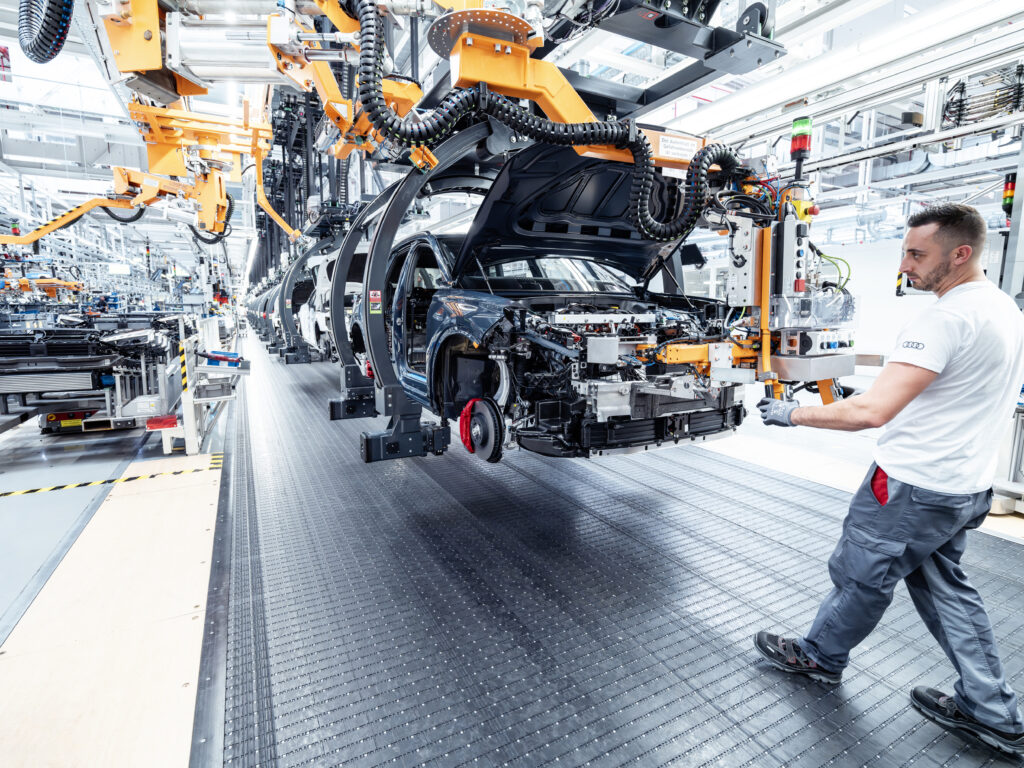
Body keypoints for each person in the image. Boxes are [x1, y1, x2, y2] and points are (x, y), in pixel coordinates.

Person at [753, 203, 1024, 755]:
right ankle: (991, 707)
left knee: (860, 575)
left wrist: (791, 414)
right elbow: (945, 393)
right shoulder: (1000, 307)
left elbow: (869, 416)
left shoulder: (944, 317)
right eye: (905, 251)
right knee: (947, 590)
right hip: (964, 484)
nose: (905, 265)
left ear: (961, 254)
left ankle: (819, 658)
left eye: (917, 254)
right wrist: (868, 397)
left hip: (910, 487)